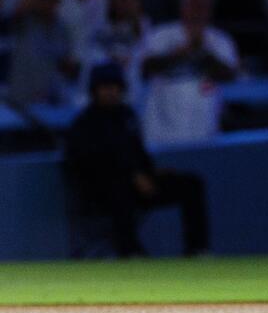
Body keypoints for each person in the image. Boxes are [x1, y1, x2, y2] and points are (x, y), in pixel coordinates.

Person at [64, 63, 210, 257]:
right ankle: (131, 252)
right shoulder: (85, 124)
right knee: (118, 189)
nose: (110, 92)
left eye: (114, 87)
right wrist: (133, 176)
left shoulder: (127, 116)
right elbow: (92, 165)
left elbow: (137, 153)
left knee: (191, 183)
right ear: (94, 90)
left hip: (139, 184)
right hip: (102, 192)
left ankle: (197, 249)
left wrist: (150, 172)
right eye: (104, 87)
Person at [139, 0, 238, 146]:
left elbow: (230, 74)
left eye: (203, 6)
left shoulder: (220, 40)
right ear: (183, 7)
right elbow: (146, 67)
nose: (197, 11)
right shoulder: (162, 34)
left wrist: (203, 53)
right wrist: (178, 54)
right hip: (161, 124)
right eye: (193, 5)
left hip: (202, 125)